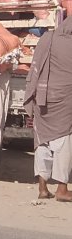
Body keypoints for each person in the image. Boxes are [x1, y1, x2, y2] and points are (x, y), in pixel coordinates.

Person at [24, 16, 72, 201]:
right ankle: (62, 189)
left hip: (42, 96)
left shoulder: (48, 38)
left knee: (42, 142)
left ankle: (42, 188)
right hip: (65, 100)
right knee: (63, 141)